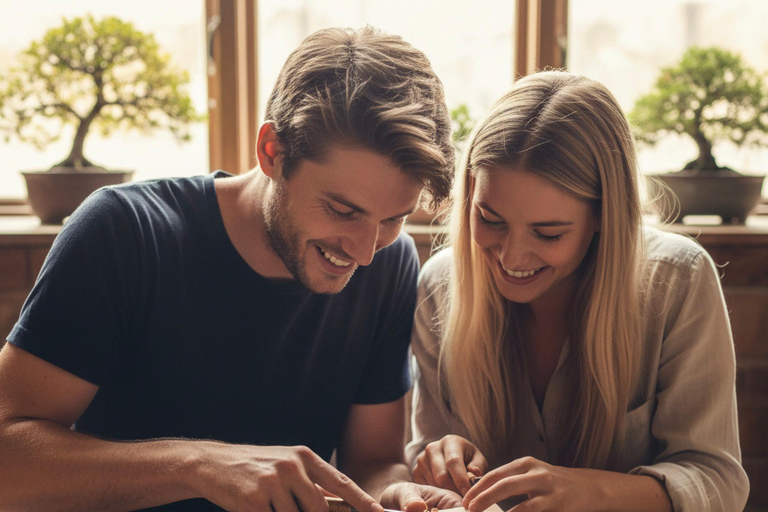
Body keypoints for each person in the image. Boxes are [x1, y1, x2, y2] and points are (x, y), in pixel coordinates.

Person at [0, 27, 459, 512]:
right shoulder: (124, 232)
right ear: (271, 151)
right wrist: (199, 466)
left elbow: (373, 461)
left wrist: (397, 491)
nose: (365, 252)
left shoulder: (389, 262)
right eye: (343, 211)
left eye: (393, 219)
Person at [400, 71, 749, 512]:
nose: (511, 256)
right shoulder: (439, 285)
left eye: (548, 233)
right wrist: (438, 462)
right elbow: (424, 457)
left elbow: (719, 482)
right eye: (490, 220)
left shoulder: (678, 280)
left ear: (604, 215)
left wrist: (593, 492)